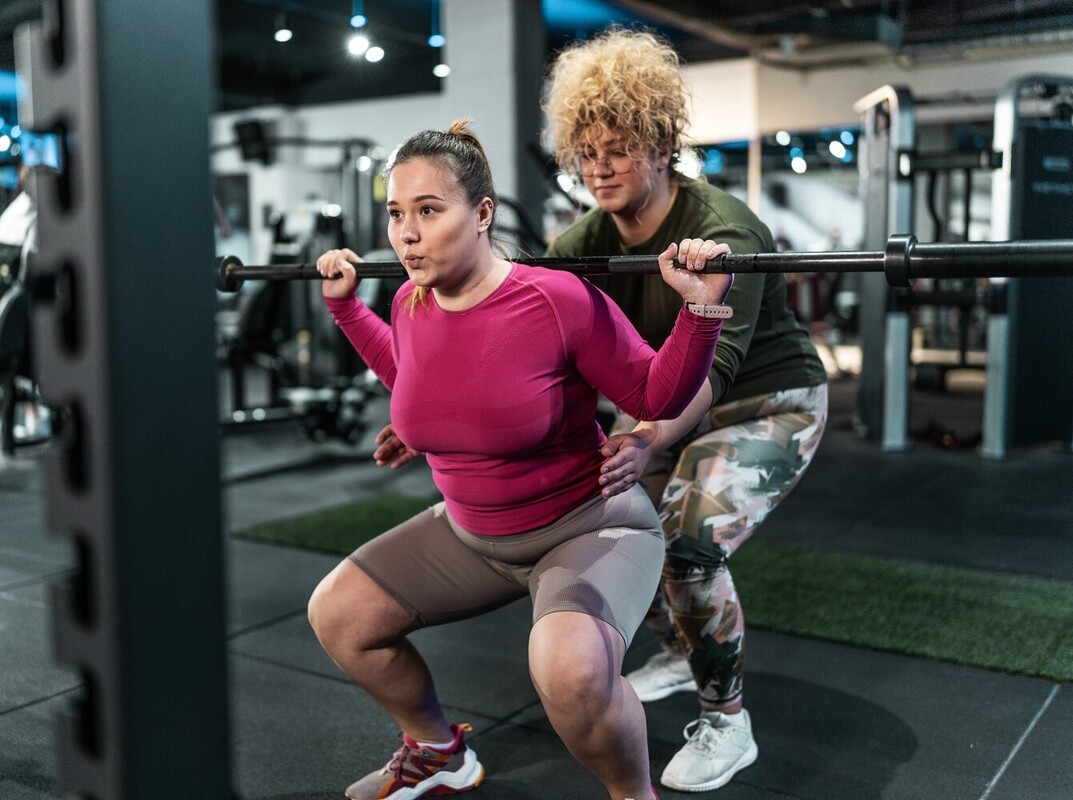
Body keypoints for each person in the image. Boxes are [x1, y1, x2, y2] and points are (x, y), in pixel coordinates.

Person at [306, 118, 735, 800]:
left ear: (480, 215)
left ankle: (634, 795)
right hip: (472, 534)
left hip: (588, 525)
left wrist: (700, 313)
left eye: (427, 211)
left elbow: (653, 393)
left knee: (567, 672)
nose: (406, 234)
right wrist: (349, 311)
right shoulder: (409, 300)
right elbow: (412, 374)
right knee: (340, 615)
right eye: (395, 213)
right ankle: (438, 753)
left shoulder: (554, 298)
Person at [541, 27, 829, 792]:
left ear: (662, 142)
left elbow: (713, 371)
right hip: (668, 409)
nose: (599, 168)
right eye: (587, 151)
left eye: (619, 148)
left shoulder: (723, 231)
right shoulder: (583, 241)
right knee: (611, 519)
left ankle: (728, 723)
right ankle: (677, 647)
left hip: (765, 404)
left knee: (689, 542)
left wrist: (642, 437)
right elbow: (522, 324)